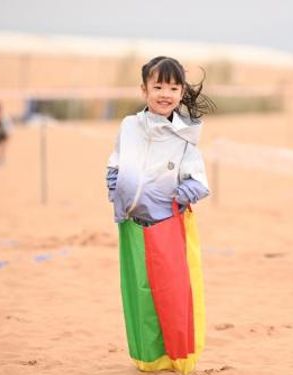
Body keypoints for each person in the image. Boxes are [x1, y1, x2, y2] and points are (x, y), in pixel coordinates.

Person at [105, 56, 213, 374]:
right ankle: (149, 359)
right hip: (131, 224)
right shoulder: (129, 127)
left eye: (173, 87)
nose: (165, 93)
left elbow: (200, 182)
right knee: (140, 293)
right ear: (144, 89)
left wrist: (182, 194)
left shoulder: (185, 138)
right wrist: (114, 185)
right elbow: (116, 160)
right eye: (158, 86)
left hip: (167, 225)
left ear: (181, 93)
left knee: (173, 293)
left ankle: (178, 356)